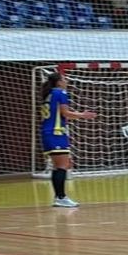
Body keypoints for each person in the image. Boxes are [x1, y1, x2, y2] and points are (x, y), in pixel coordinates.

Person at [39, 72, 97, 208]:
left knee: (59, 166)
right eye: (64, 79)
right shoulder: (60, 93)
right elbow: (66, 113)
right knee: (62, 166)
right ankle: (61, 197)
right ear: (58, 82)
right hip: (56, 133)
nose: (67, 81)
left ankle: (59, 197)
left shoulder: (49, 94)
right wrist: (83, 115)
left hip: (49, 132)